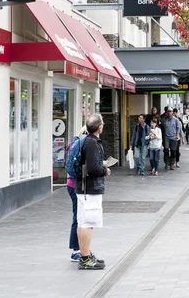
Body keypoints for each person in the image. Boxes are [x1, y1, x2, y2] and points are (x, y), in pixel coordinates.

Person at [75, 114, 110, 270]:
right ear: (100, 128)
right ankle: (85, 258)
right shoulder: (92, 143)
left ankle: (85, 254)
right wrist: (105, 170)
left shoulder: (85, 140)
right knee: (88, 223)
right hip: (89, 188)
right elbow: (93, 168)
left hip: (82, 187)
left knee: (82, 222)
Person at [66, 125, 87, 262]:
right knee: (77, 217)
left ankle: (79, 248)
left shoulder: (74, 143)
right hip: (75, 184)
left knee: (78, 215)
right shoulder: (82, 144)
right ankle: (76, 250)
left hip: (71, 183)